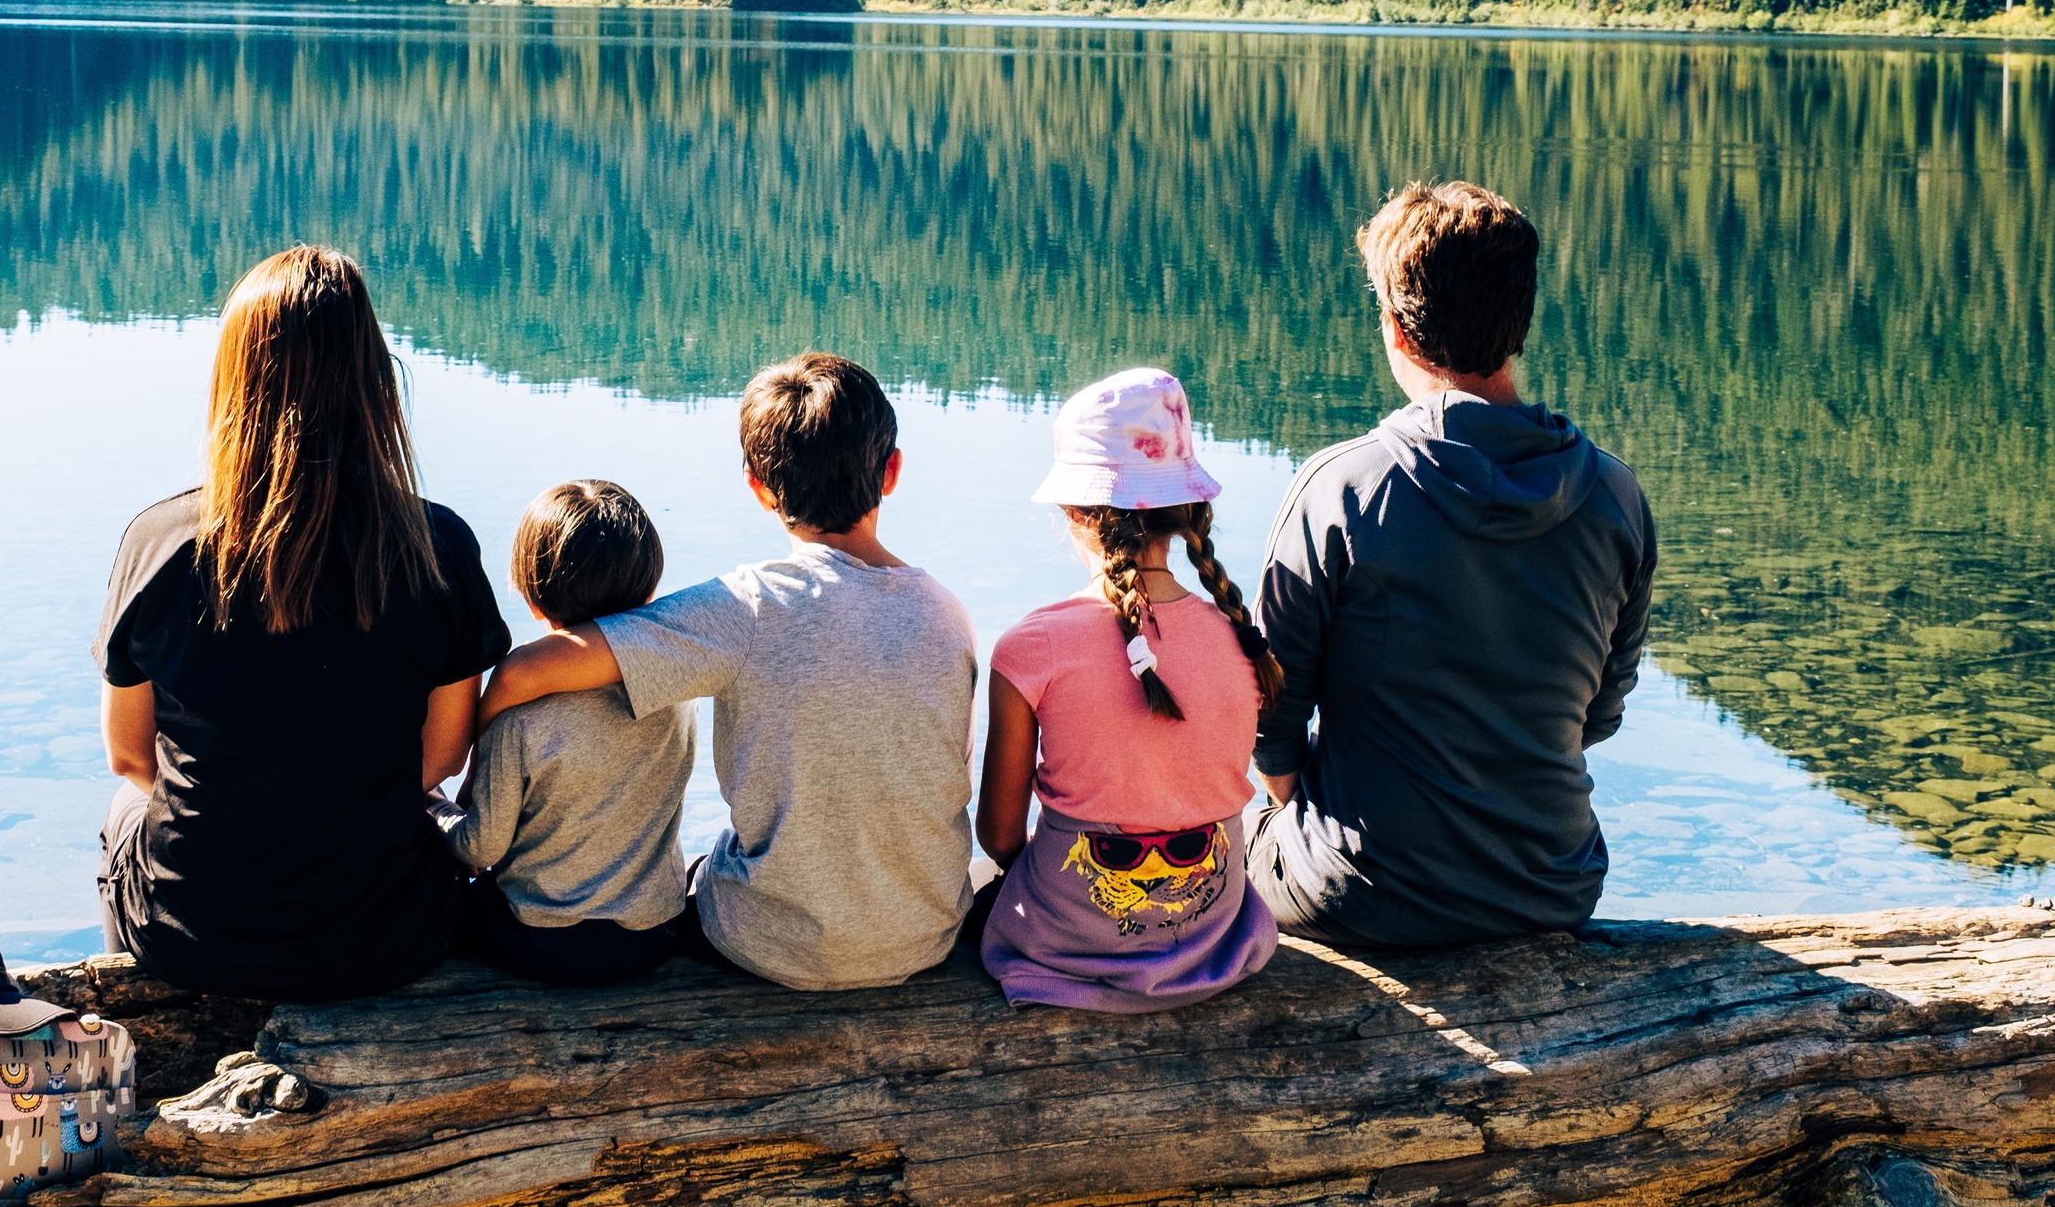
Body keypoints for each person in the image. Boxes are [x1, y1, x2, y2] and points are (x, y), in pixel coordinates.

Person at [477, 353, 978, 992]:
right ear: (893, 472)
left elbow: (536, 667)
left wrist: (490, 720)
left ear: (759, 488)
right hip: (924, 934)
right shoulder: (948, 613)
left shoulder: (743, 607)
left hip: (773, 944)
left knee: (699, 879)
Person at [92, 246, 510, 1000]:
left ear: (234, 378)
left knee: (124, 805)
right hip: (386, 938)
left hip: (194, 937)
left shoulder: (161, 542)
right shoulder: (436, 546)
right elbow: (441, 757)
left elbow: (130, 756)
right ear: (372, 378)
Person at [1252, 181, 1656, 948]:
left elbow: (1271, 719)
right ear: (1519, 325)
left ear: (1397, 333)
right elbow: (1597, 716)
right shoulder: (1616, 497)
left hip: (1360, 897)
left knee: (1226, 838)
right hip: (1552, 885)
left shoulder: (1342, 489)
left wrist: (1307, 813)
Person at [974, 369, 1284, 1011]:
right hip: (1210, 939)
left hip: (1064, 947)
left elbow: (1001, 837)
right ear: (1186, 513)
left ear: (1073, 512)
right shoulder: (1242, 643)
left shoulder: (1031, 648)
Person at [432, 480, 694, 986]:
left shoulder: (520, 720)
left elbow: (478, 850)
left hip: (542, 942)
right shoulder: (674, 695)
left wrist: (435, 806)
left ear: (531, 596)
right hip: (653, 935)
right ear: (649, 590)